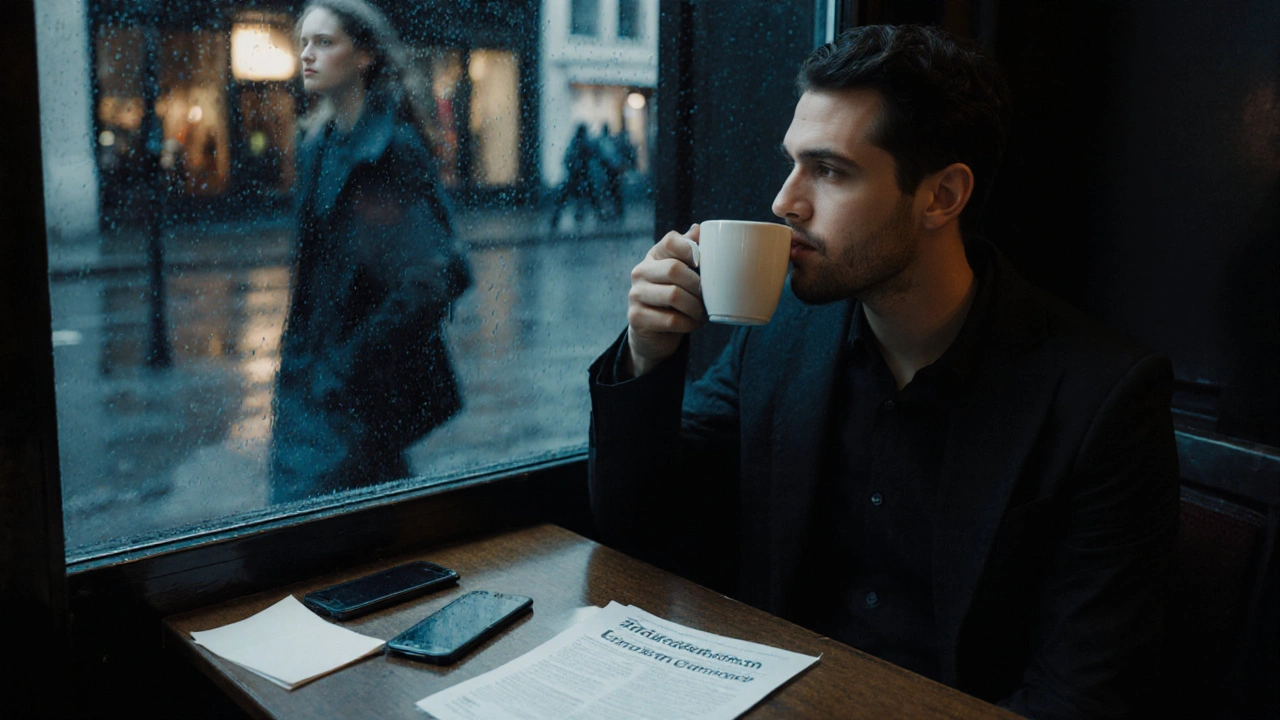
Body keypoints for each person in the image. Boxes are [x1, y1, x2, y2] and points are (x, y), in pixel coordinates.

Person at [588, 25, 1178, 720]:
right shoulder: (780, 341)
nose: (785, 201)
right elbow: (640, 524)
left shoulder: (1102, 399)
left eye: (830, 170)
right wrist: (648, 356)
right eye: (792, 163)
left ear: (942, 197)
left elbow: (1079, 696)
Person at [271, 0, 472, 503]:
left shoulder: (391, 149)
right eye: (304, 43)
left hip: (349, 387)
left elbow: (435, 277)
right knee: (357, 520)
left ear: (363, 56)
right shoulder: (315, 144)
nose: (308, 55)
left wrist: (347, 366)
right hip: (309, 380)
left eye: (325, 42)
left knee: (319, 529)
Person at [549, 123, 603, 231]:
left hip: (576, 175)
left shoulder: (574, 142)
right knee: (588, 196)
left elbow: (568, 159)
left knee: (568, 197)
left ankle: (559, 218)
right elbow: (592, 154)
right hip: (580, 175)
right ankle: (589, 215)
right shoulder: (582, 143)